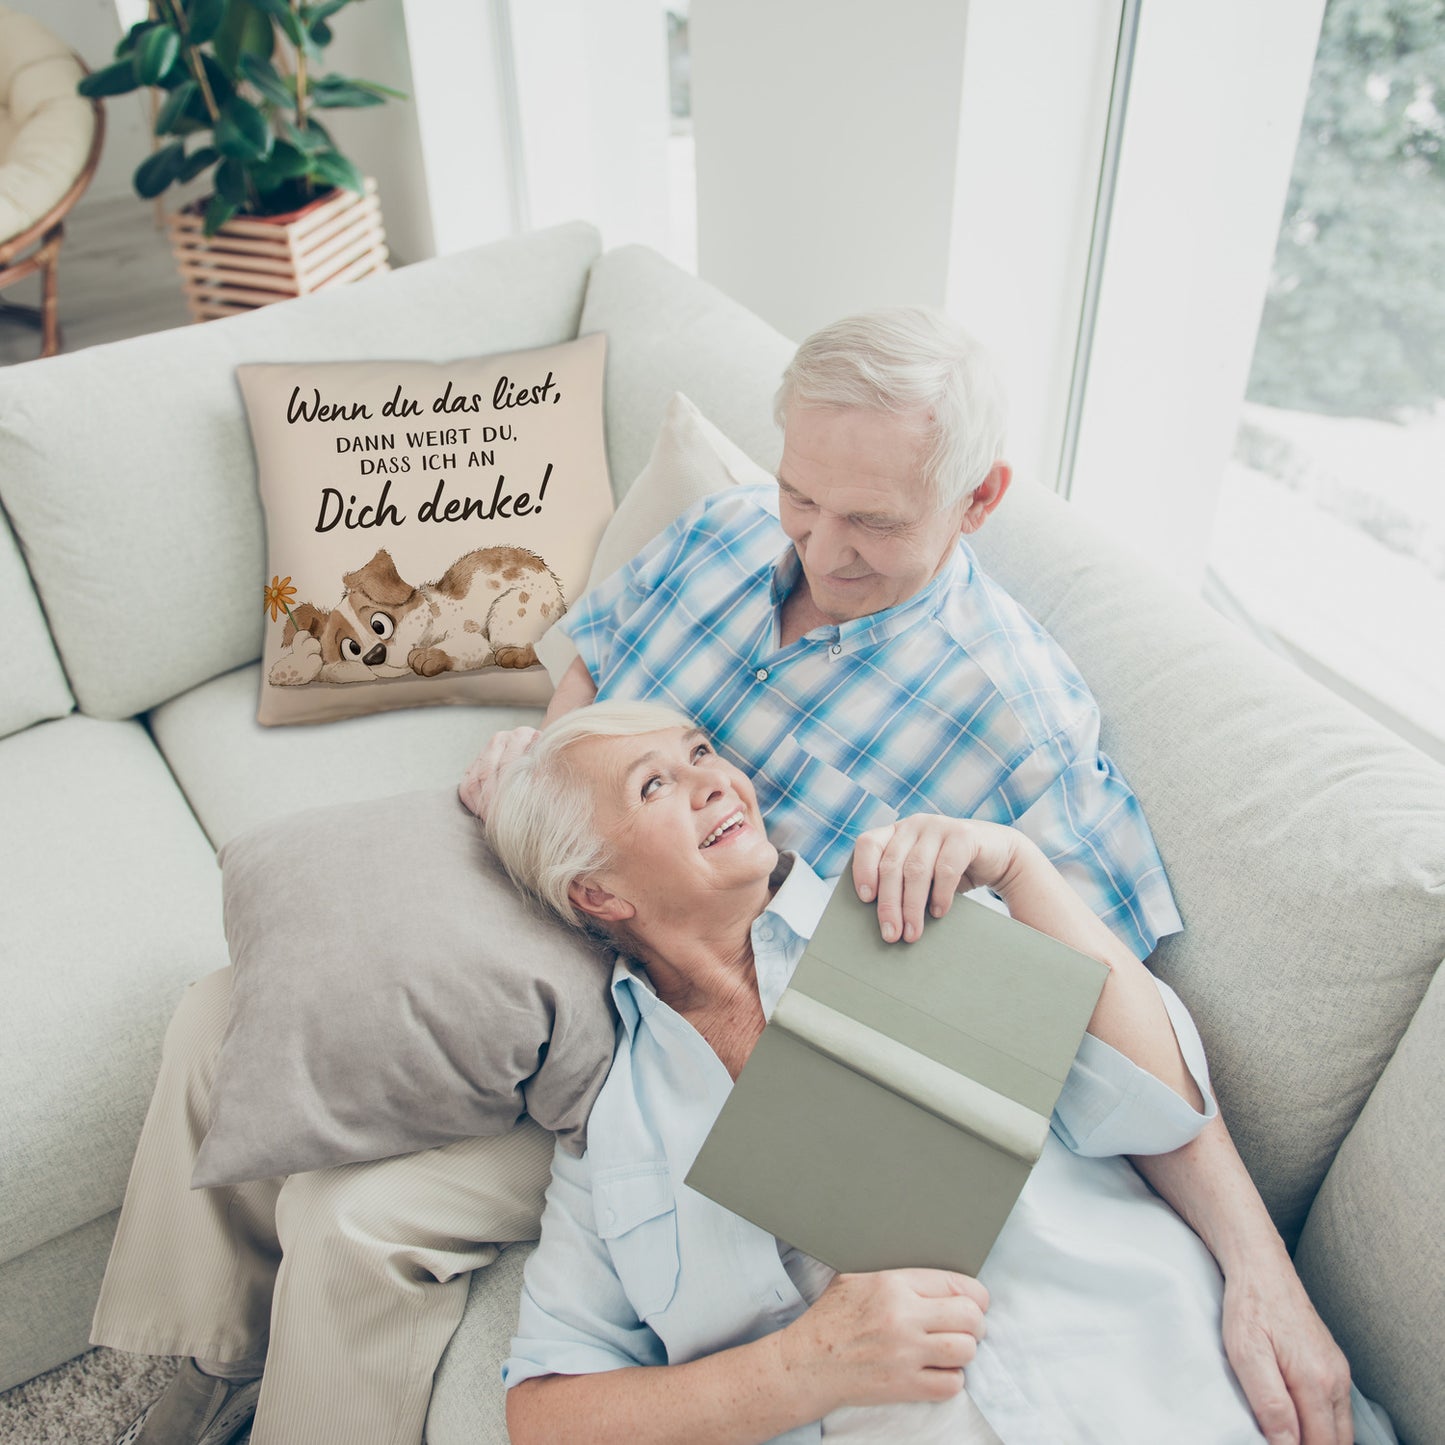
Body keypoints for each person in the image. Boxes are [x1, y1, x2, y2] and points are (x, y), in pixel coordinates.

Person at [94, 309, 1348, 1445]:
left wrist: (1260, 1266)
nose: (818, 545)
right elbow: (591, 669)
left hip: (695, 1013)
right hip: (583, 889)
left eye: (871, 520)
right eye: (804, 495)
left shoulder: (1016, 724)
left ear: (976, 501)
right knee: (229, 1007)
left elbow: (1103, 1021)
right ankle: (192, 1364)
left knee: (354, 1218)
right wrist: (545, 764)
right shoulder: (726, 532)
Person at [486, 700, 1375, 1445]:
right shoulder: (614, 1132)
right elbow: (544, 1411)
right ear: (597, 893)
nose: (714, 780)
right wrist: (799, 1368)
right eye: (654, 785)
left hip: (1174, 1389)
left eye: (701, 753)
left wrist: (1021, 868)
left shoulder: (908, 906)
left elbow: (1158, 1105)